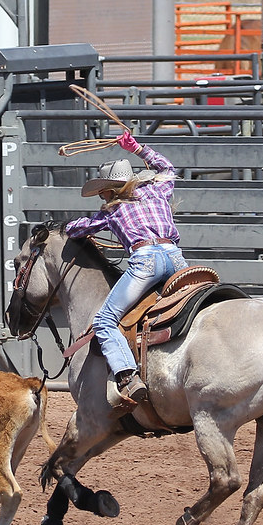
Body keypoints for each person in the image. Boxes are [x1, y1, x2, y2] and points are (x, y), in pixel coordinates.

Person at [63, 130, 188, 403]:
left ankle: (127, 376)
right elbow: (167, 168)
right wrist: (137, 148)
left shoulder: (112, 210)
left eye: (103, 191)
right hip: (175, 256)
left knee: (105, 320)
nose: (102, 196)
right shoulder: (158, 191)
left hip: (145, 262)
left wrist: (64, 227)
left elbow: (78, 229)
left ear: (110, 189)